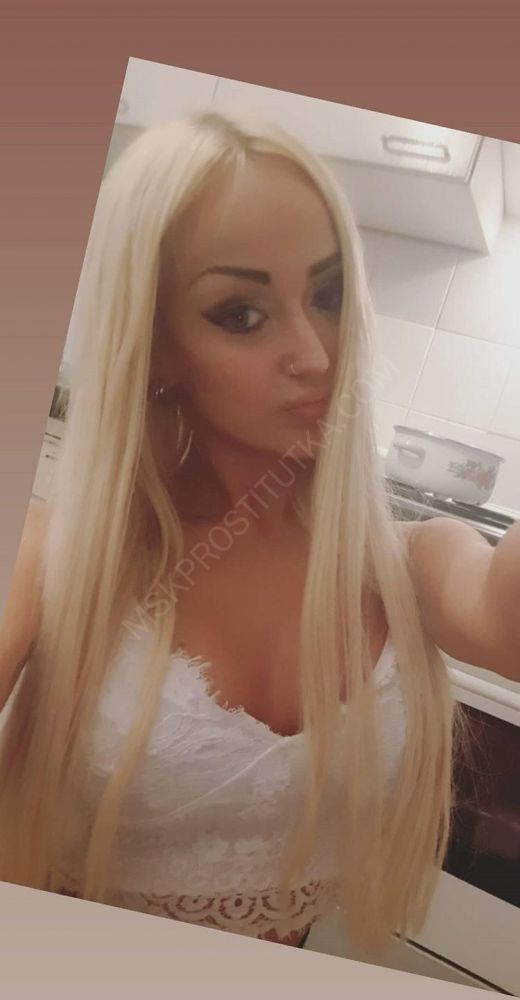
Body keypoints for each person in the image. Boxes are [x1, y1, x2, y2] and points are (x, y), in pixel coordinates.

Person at [0, 110, 518, 955]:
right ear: (157, 343)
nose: (316, 355)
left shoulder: (407, 563)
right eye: (240, 314)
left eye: (329, 296)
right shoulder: (50, 562)